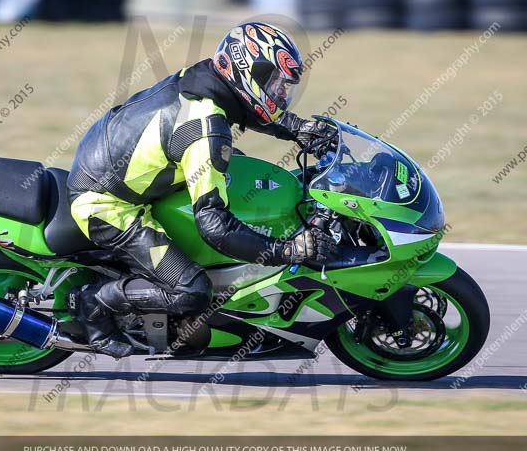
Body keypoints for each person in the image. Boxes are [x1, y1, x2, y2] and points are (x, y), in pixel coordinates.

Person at [67, 22, 339, 358]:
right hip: (105, 202)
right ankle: (96, 301)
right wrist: (288, 251)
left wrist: (295, 127)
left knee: (236, 169)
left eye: (284, 86)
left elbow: (240, 102)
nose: (280, 94)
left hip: (117, 164)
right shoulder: (205, 129)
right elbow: (215, 226)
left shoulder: (203, 78)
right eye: (274, 83)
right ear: (245, 71)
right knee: (193, 291)